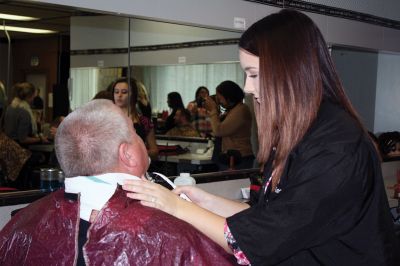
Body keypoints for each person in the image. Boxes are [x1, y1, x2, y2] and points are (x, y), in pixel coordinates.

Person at [122, 9, 399, 265]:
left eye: (253, 74)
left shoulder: (336, 147)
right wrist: (205, 201)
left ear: (287, 71)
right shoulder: (300, 132)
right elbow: (265, 215)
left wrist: (174, 207)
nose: (247, 87)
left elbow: (261, 237)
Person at [0, 99, 233, 265]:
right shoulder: (170, 234)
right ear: (128, 154)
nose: (142, 140)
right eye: (135, 133)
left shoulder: (19, 224)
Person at [205, 80, 254, 170]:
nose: (219, 102)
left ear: (229, 96)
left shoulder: (241, 110)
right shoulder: (231, 110)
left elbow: (219, 131)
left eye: (220, 98)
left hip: (238, 159)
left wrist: (213, 110)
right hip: (228, 158)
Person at [112, 77, 158, 160]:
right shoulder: (107, 120)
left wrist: (138, 153)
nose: (119, 95)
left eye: (124, 92)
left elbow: (154, 151)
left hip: (137, 167)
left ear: (133, 95)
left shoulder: (144, 122)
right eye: (116, 92)